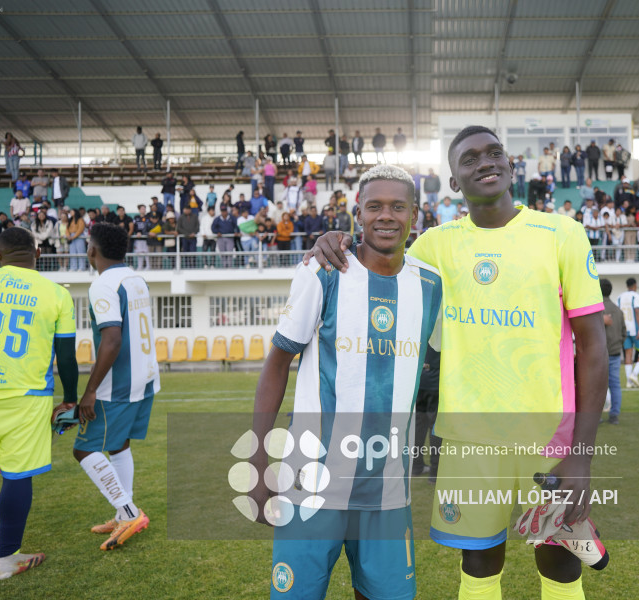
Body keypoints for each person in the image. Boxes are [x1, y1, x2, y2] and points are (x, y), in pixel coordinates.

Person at [307, 126, 608, 600]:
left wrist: (582, 454)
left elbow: (594, 347)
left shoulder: (562, 234)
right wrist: (336, 239)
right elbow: (378, 257)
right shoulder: (434, 246)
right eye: (470, 159)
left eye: (494, 153)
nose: (485, 162)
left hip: (552, 437)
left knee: (561, 558)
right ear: (453, 181)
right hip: (470, 440)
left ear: (510, 166)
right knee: (480, 560)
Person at [250, 164, 440, 600]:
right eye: (374, 206)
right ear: (357, 213)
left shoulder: (430, 285)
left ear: (416, 213)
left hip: (388, 488)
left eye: (398, 206)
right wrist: (260, 464)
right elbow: (277, 363)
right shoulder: (324, 272)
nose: (386, 216)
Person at [0, 226, 78, 580]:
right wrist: (70, 400)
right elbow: (66, 358)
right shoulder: (56, 294)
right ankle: (6, 560)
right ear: (37, 254)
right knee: (17, 476)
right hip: (27, 399)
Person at [72, 224, 159, 551]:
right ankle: (123, 512)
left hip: (118, 385)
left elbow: (112, 340)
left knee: (83, 448)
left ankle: (129, 512)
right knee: (119, 444)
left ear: (93, 250)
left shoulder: (103, 284)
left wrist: (90, 390)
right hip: (145, 378)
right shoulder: (136, 278)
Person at [413, 344, 441, 482]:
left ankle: (416, 466)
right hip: (435, 381)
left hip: (421, 378)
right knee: (434, 427)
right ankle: (434, 474)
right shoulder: (444, 323)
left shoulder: (421, 322)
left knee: (420, 424)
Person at [601, 278, 625, 425]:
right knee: (615, 384)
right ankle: (614, 415)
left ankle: (596, 416)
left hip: (600, 353)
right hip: (615, 352)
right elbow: (624, 333)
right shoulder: (618, 310)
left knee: (597, 386)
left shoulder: (596, 309)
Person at [617, 278, 639, 387]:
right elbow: (637, 311)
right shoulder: (636, 296)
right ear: (635, 285)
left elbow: (619, 314)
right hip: (635, 329)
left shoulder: (620, 297)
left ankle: (629, 382)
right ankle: (634, 375)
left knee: (628, 354)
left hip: (624, 330)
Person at [132, 204, 150, 270]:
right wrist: (137, 232)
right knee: (139, 252)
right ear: (139, 210)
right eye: (142, 209)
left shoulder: (148, 217)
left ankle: (148, 266)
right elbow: (134, 226)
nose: (143, 210)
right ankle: (140, 266)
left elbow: (148, 227)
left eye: (144, 208)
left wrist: (143, 233)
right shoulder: (136, 217)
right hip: (138, 238)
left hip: (146, 238)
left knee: (146, 252)